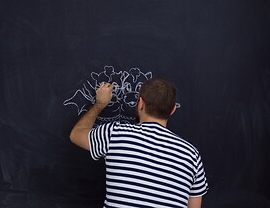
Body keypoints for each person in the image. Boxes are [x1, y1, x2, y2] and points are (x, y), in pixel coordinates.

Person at [70, 77, 208, 208]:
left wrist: (100, 104)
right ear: (172, 110)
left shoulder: (115, 133)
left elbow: (76, 134)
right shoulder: (191, 155)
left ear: (141, 103)